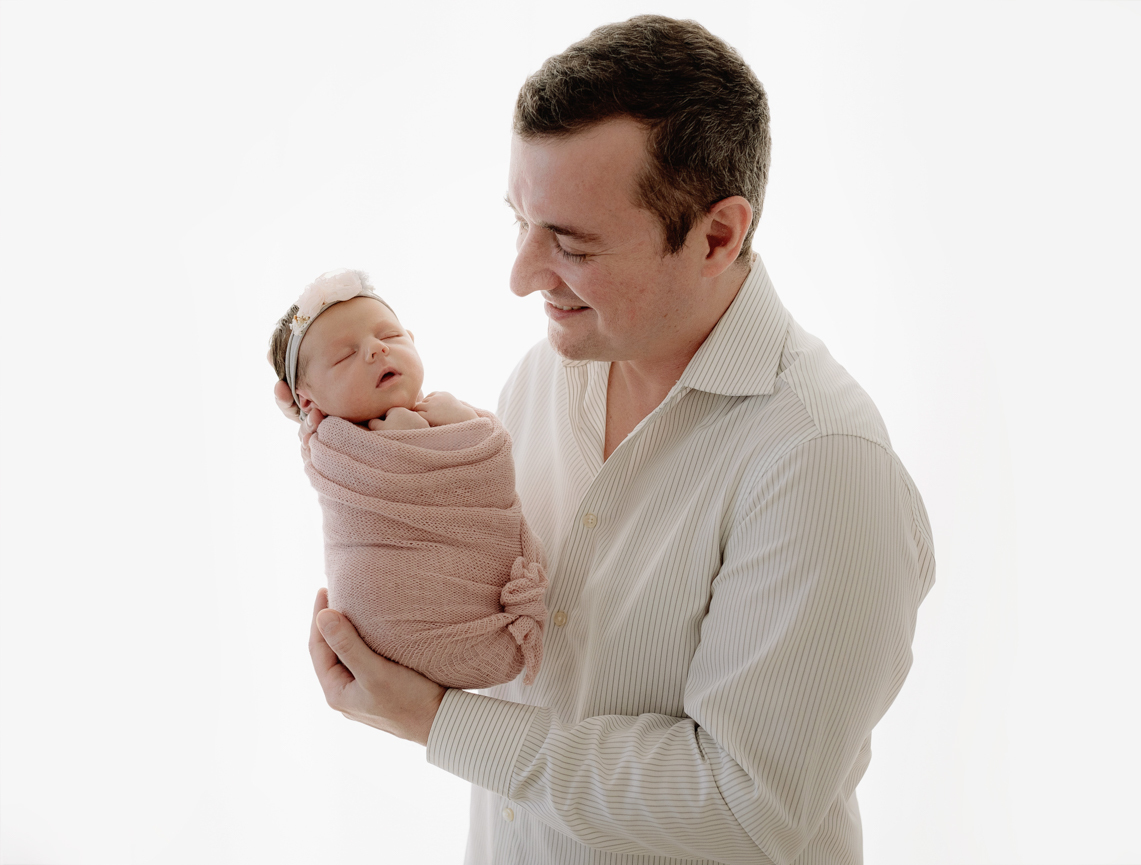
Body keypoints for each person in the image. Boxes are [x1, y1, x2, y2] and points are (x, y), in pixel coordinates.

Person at [275, 15, 935, 865]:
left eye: (572, 244)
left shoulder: (826, 466)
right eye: (519, 220)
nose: (520, 276)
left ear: (717, 235)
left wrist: (438, 721)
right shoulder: (540, 379)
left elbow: (745, 808)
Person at [270, 268, 548, 690]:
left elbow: (488, 467)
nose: (377, 350)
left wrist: (455, 425)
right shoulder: (332, 450)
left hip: (490, 604)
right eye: (345, 356)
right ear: (308, 400)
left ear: (413, 342)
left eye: (391, 336)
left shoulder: (458, 416)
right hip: (389, 624)